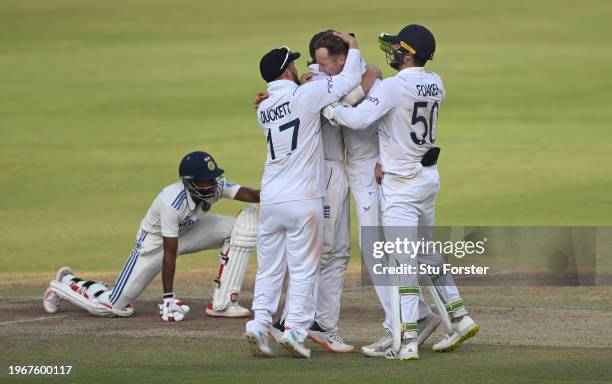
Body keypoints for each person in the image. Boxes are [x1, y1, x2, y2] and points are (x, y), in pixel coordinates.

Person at [324, 24, 480, 360]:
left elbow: (359, 119)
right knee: (425, 252)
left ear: (409, 53)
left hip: (401, 185)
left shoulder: (394, 87)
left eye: (398, 48)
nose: (392, 52)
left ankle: (406, 341)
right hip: (427, 179)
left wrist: (330, 109)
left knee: (402, 261)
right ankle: (460, 317)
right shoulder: (437, 82)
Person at [244, 32, 362, 359]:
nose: (297, 68)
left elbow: (283, 100)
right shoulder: (306, 95)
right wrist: (352, 47)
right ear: (286, 72)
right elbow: (351, 78)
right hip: (303, 198)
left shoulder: (263, 107)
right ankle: (295, 329)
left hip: (270, 198)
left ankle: (259, 322)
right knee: (304, 268)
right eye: (293, 65)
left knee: (269, 268)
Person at [43, 151, 260, 321]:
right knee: (112, 307)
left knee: (241, 228)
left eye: (213, 177)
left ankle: (222, 305)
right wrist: (168, 298)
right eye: (206, 180)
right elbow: (170, 251)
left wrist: (281, 194)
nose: (212, 183)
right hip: (154, 246)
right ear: (190, 181)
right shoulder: (171, 202)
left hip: (189, 231)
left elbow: (250, 194)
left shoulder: (216, 185)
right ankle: (65, 282)